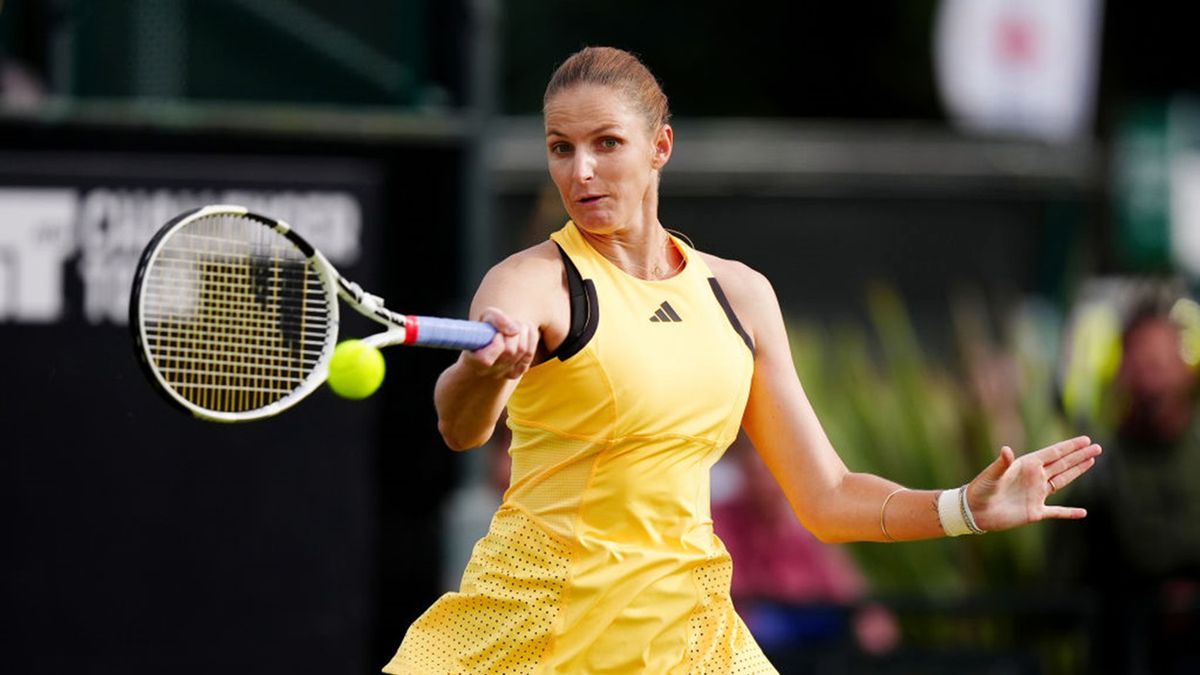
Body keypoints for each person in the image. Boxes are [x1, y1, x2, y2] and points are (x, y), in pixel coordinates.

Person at [382, 46, 1102, 674]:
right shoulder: (531, 281)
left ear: (660, 146)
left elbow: (826, 496)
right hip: (540, 630)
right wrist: (485, 372)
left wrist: (962, 509)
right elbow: (461, 426)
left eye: (606, 143)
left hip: (690, 638)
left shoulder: (740, 295)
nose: (582, 170)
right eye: (560, 147)